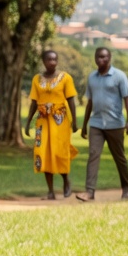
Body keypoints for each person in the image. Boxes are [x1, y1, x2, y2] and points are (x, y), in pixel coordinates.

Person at [23, 50, 79, 199]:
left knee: (59, 152)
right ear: (43, 61)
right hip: (42, 122)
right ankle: (50, 191)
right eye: (49, 60)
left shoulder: (65, 78)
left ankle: (66, 181)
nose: (52, 62)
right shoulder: (37, 79)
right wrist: (28, 123)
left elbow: (71, 101)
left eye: (55, 60)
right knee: (43, 154)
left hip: (60, 121)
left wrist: (75, 121)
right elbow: (34, 102)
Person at [79, 47, 128, 201]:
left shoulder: (119, 76)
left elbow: (127, 99)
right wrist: (84, 124)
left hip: (115, 123)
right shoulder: (92, 78)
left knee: (119, 157)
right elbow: (90, 102)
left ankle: (126, 189)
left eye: (104, 57)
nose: (100, 60)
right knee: (93, 155)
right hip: (96, 124)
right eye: (98, 57)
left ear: (110, 58)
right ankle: (89, 192)